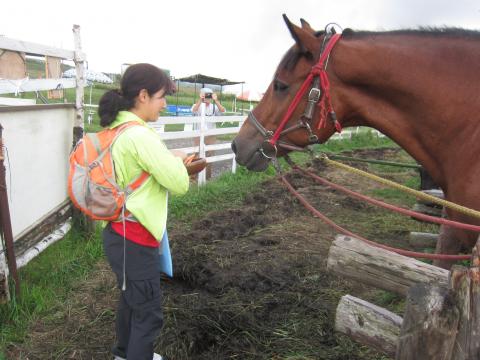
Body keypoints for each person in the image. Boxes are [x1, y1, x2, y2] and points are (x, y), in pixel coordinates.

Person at [98, 63, 190, 360]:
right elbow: (178, 184)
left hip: (118, 234)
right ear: (143, 95)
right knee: (148, 315)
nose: (165, 104)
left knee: (131, 301)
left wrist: (168, 156)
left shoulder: (117, 129)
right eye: (162, 96)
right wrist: (179, 162)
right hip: (135, 239)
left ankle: (123, 354)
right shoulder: (140, 135)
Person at [191, 87, 225, 179]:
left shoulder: (214, 107)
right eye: (206, 95)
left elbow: (222, 111)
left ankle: (207, 177)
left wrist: (216, 100)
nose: (208, 98)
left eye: (209, 95)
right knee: (196, 155)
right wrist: (200, 100)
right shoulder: (197, 105)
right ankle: (194, 178)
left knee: (210, 155)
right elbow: (194, 110)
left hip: (211, 135)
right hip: (198, 134)